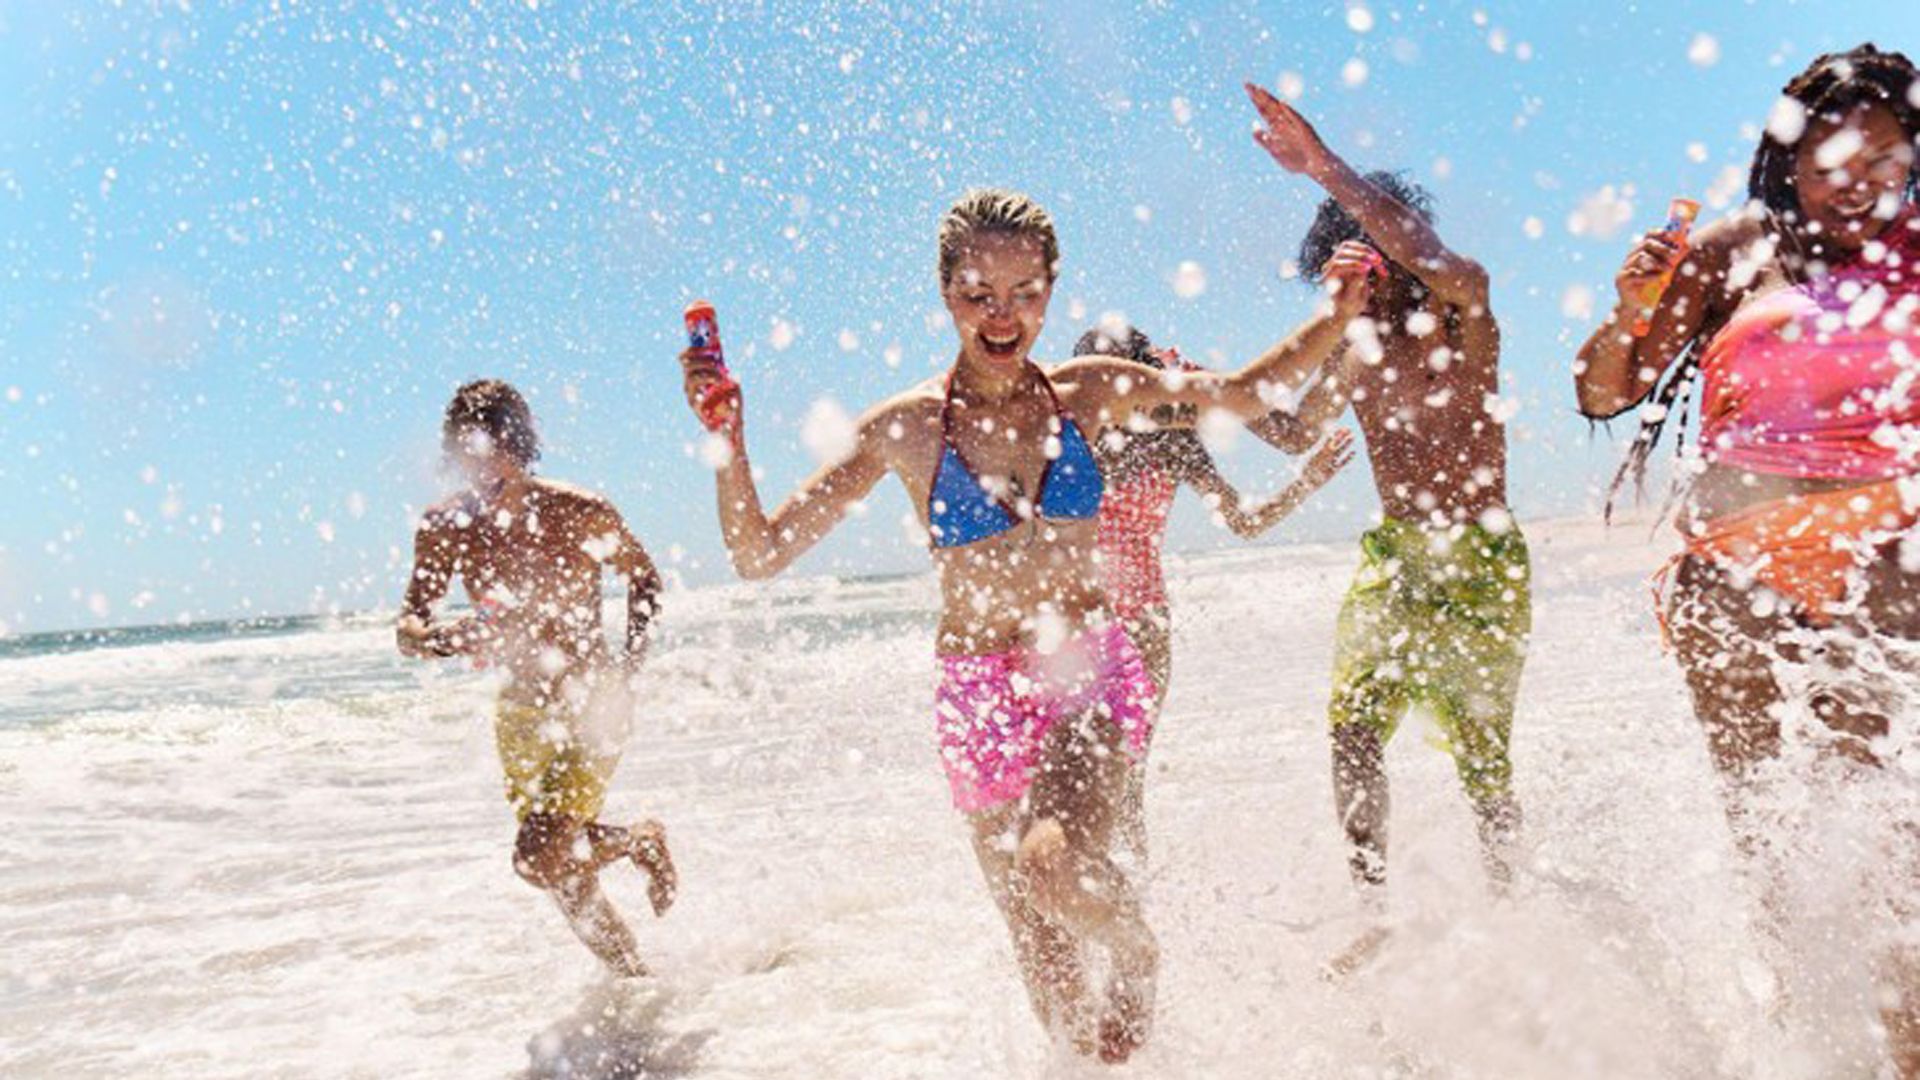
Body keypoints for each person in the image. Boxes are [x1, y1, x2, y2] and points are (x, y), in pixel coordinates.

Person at [678, 188, 1375, 1062]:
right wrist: (727, 441)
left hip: (1082, 665)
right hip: (975, 697)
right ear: (944, 294)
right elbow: (758, 552)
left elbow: (1236, 393)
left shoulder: (1092, 394)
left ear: (1051, 290)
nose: (1002, 316)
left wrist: (1331, 317)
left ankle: (1137, 949)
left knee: (1052, 865)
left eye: (1024, 293)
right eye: (978, 294)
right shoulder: (904, 430)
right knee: (1043, 966)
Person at [1573, 45, 1919, 1076]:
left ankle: (1902, 1046)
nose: (1855, 185)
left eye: (1884, 159)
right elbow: (1602, 392)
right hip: (1735, 580)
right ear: (1790, 159)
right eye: (1831, 162)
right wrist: (1636, 303)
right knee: (1769, 833)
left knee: (1887, 841)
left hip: (1888, 569)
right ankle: (1807, 1049)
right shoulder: (1737, 248)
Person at [1244, 85, 1533, 919]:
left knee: (1484, 764)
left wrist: (1323, 169)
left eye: (1379, 247)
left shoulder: (1461, 320)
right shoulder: (1354, 350)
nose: (1372, 269)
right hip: (1396, 560)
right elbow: (1296, 433)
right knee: (1351, 732)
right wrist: (1193, 394)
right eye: (1351, 258)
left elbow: (1457, 267)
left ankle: (1512, 904)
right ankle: (1372, 906)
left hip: (1481, 558)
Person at [397, 379, 678, 978]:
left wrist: (628, 669)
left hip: (592, 702)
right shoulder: (445, 528)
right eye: (469, 454)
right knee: (566, 880)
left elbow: (645, 579)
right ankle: (635, 984)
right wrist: (439, 639)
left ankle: (636, 839)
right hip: (521, 711)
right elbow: (411, 625)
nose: (484, 469)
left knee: (536, 856)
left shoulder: (578, 511)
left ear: (520, 445)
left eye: (496, 451)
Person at [1068, 323, 1356, 859]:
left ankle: (1121, 909)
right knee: (1109, 783)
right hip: (1103, 625)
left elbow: (1247, 514)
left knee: (1108, 783)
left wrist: (1306, 480)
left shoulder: (1154, 435)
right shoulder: (1104, 434)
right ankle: (1104, 903)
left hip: (1110, 625)